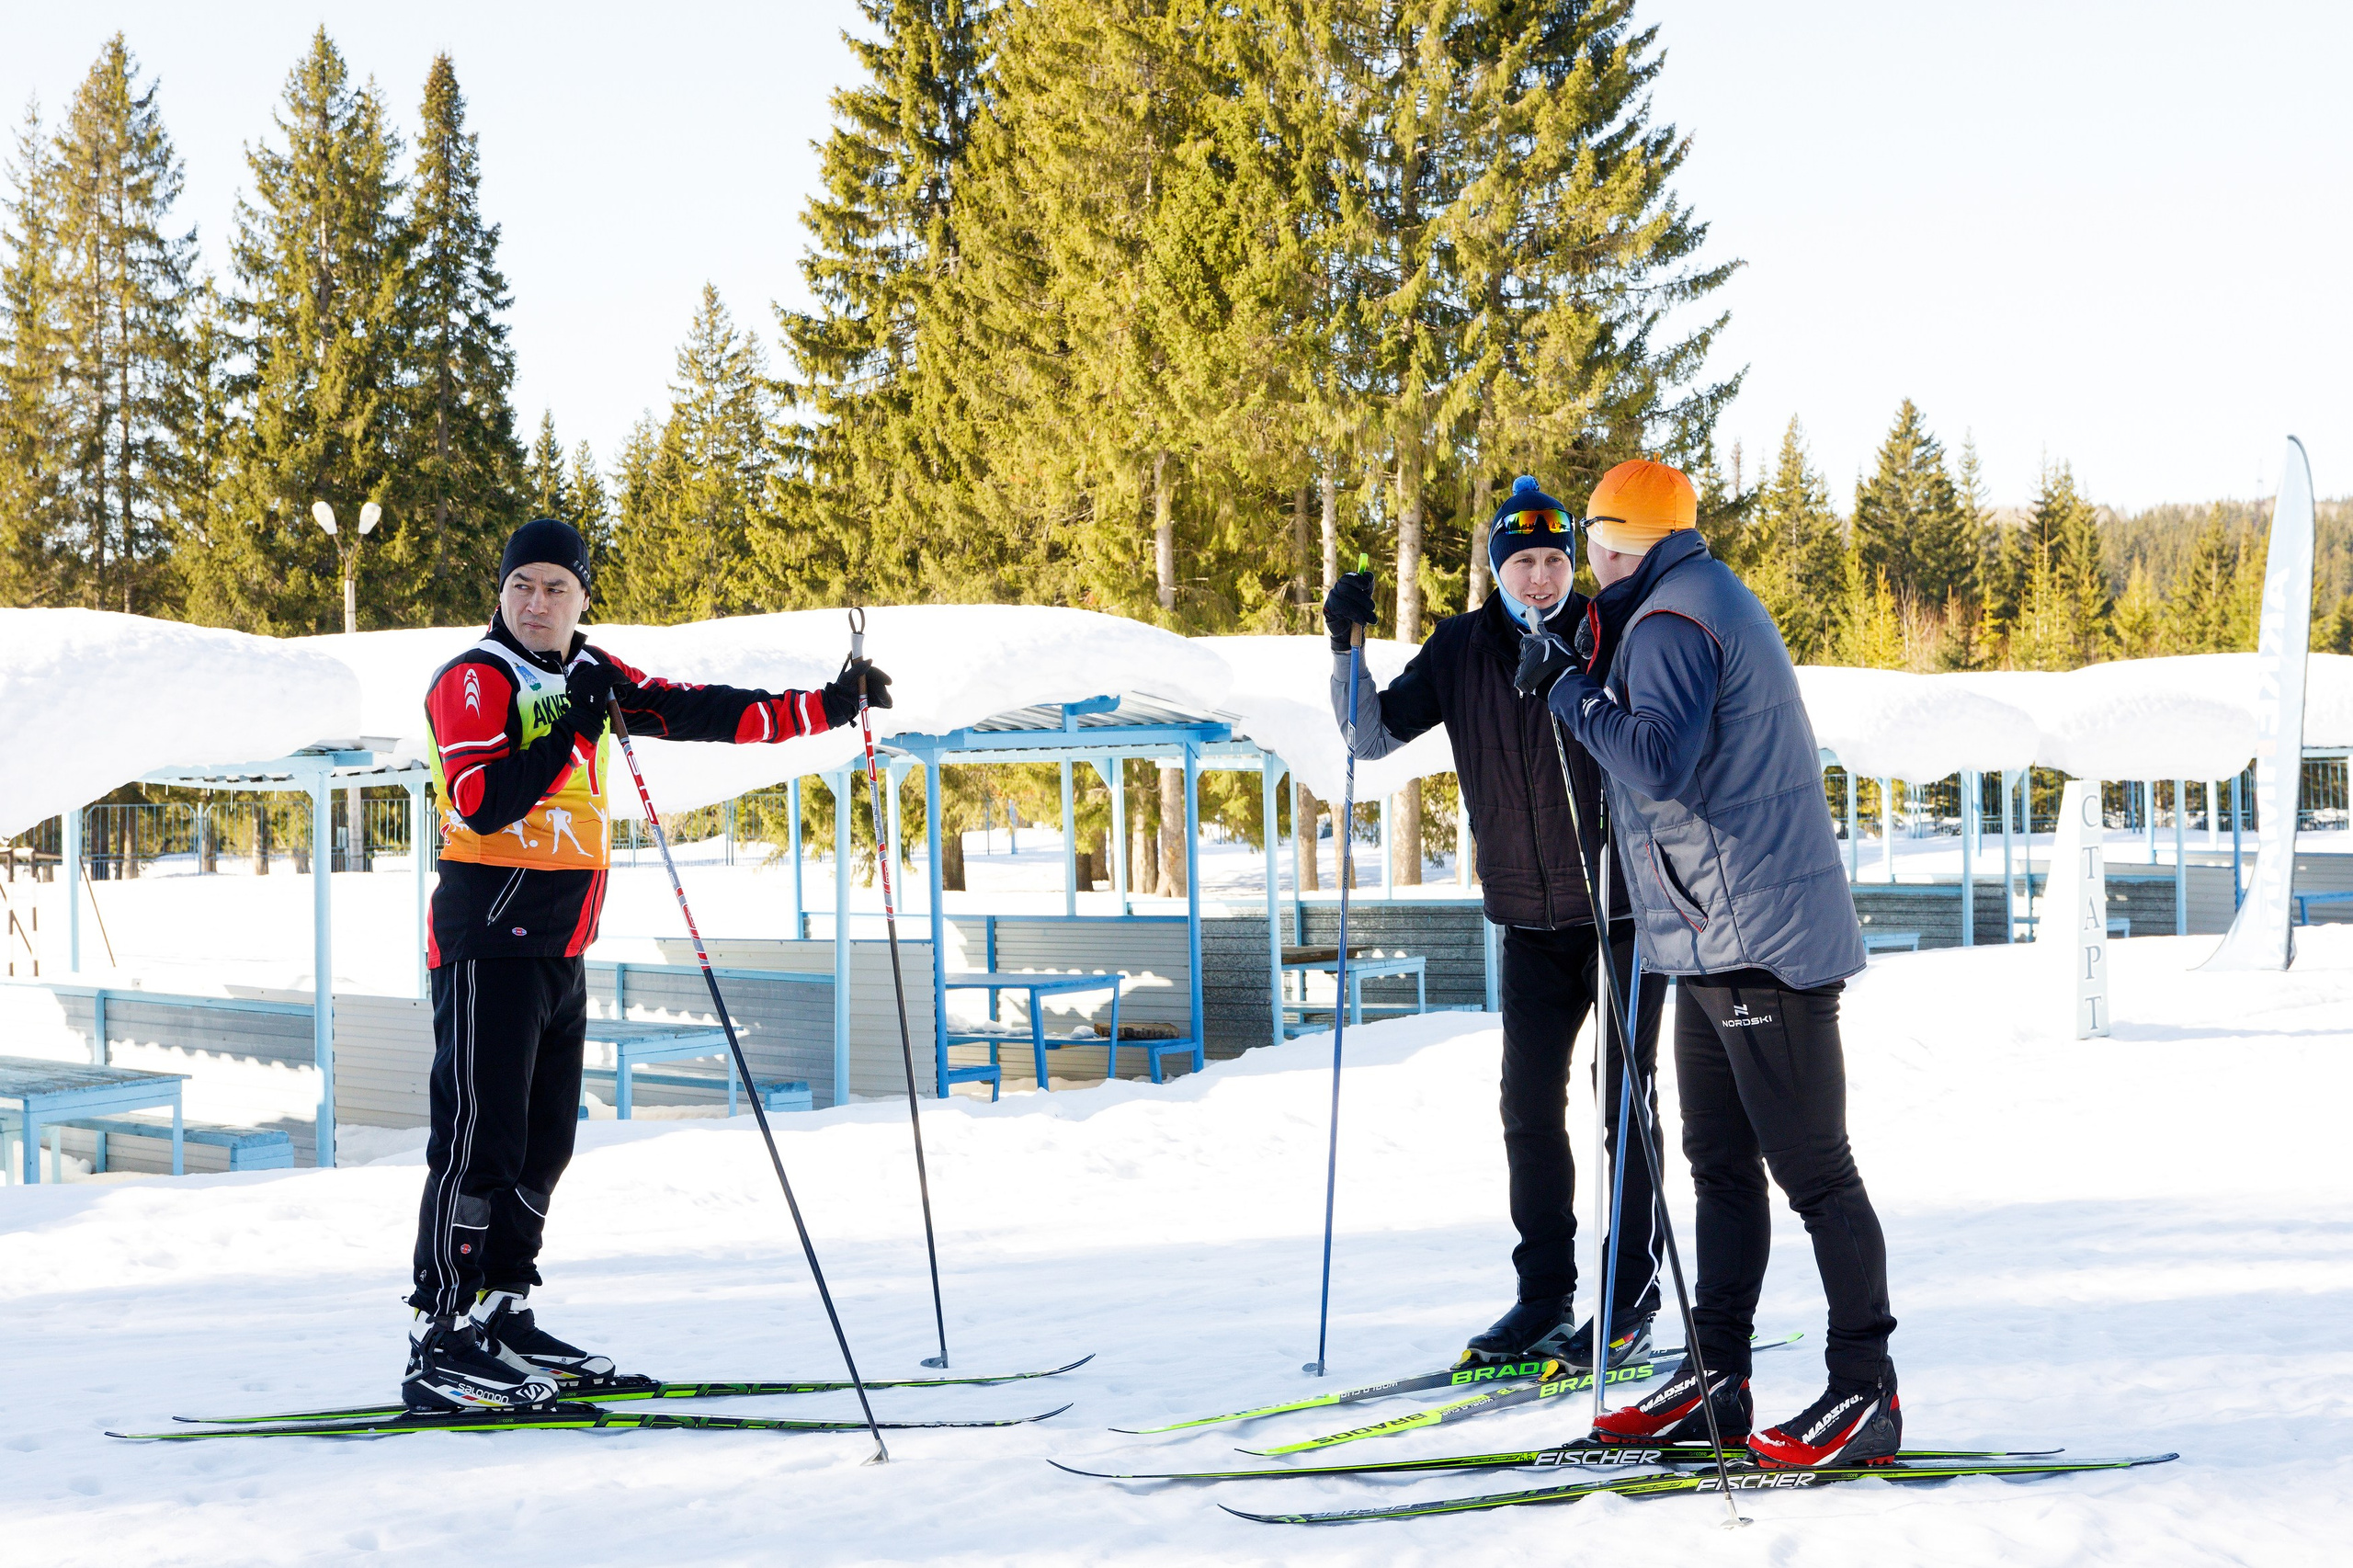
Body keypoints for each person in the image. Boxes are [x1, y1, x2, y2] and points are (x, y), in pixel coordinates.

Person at [403, 517, 892, 1413]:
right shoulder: (476, 678)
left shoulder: (588, 673)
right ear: (500, 593)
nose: (537, 602)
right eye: (523, 586)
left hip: (560, 943)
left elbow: (700, 708)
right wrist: (565, 731)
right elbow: (481, 798)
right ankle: (442, 1332)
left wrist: (827, 704)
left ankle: (504, 1312)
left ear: (583, 595)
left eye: (556, 587)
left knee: (543, 1145)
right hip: (486, 941)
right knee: (479, 1142)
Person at [1525, 459, 1899, 1469]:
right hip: (1711, 934)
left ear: (1617, 543)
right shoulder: (1684, 598)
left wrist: (1567, 690)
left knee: (1812, 1171)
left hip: (1755, 939)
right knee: (1719, 1168)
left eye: (1593, 545)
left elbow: (1656, 757)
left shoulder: (1674, 619)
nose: (1583, 565)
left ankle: (1865, 1387)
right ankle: (1717, 1374)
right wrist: (1579, 661)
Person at [1324, 475, 1665, 1370]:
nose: (1543, 576)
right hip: (1526, 917)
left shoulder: (1611, 633)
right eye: (1524, 561)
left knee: (1621, 1104)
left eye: (1556, 559)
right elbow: (1367, 738)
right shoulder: (1459, 649)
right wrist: (1343, 646)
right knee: (1527, 1109)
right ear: (1497, 570)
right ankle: (1543, 1297)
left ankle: (1629, 1299)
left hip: (1622, 909)